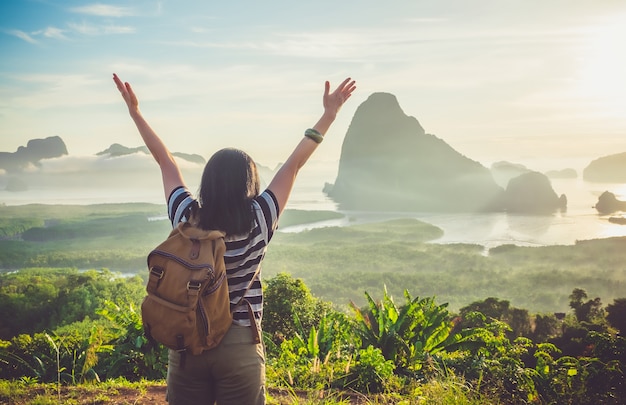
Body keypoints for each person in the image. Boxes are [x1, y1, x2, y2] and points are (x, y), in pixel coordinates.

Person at [112, 73, 356, 405]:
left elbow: (165, 161)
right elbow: (295, 164)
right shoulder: (260, 217)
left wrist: (136, 114)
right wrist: (329, 115)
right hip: (240, 344)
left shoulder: (187, 217)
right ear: (250, 182)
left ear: (207, 183)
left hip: (188, 343)